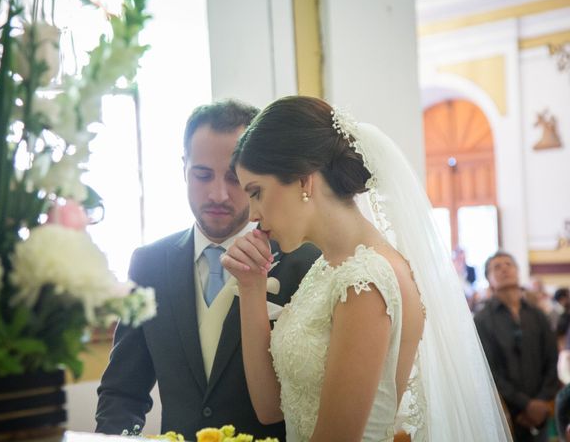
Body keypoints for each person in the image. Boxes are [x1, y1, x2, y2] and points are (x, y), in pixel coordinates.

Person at [221, 95, 511, 441]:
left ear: (303, 181)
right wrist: (253, 288)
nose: (252, 214)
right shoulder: (327, 270)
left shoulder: (366, 282)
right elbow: (270, 408)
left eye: (257, 192)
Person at [94, 100, 320, 439]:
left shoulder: (304, 262)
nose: (217, 194)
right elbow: (122, 392)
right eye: (202, 175)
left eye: (233, 178)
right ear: (183, 168)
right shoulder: (149, 264)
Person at [475, 251, 560, 442]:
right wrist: (524, 405)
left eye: (508, 264)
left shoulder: (537, 316)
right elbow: (489, 371)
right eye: (497, 267)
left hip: (540, 411)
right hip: (506, 414)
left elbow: (551, 358)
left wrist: (541, 401)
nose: (504, 268)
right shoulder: (482, 320)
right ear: (489, 279)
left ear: (517, 271)